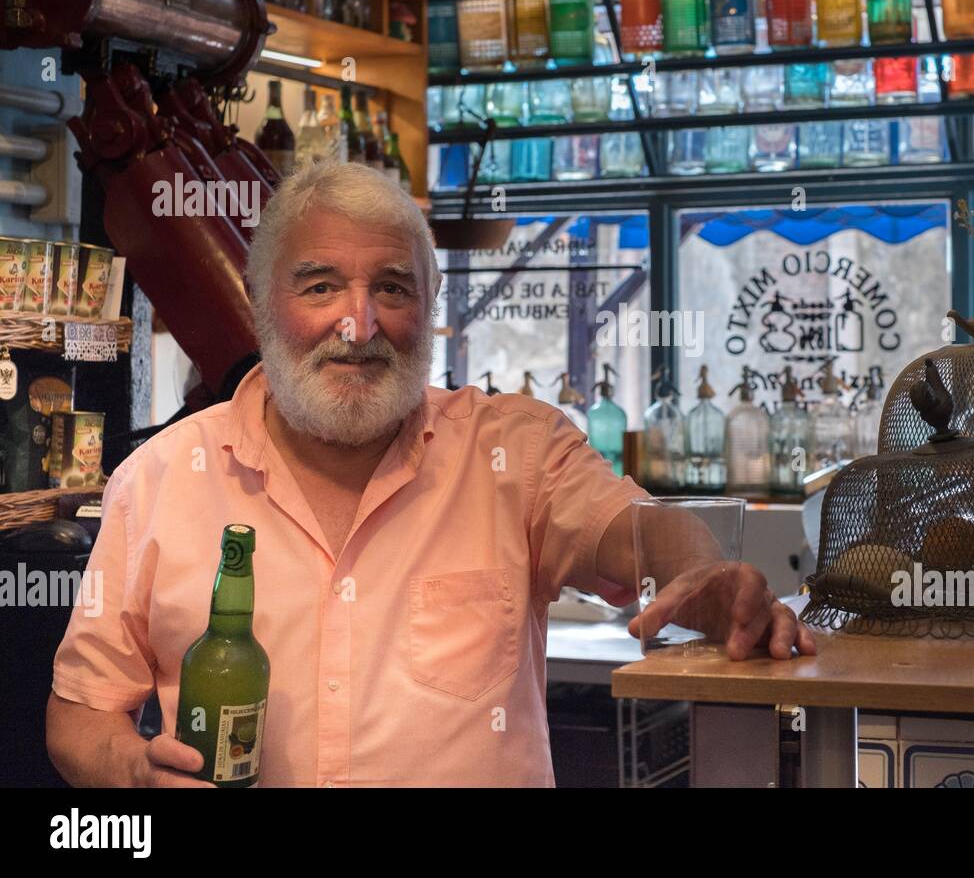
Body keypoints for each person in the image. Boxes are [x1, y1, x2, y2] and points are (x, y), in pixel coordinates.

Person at [46, 161, 815, 788]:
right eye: (320, 286)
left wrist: (706, 570)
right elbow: (80, 713)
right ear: (259, 302)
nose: (360, 323)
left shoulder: (515, 453)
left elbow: (634, 530)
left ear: (432, 304)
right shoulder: (158, 480)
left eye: (392, 287)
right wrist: (133, 773)